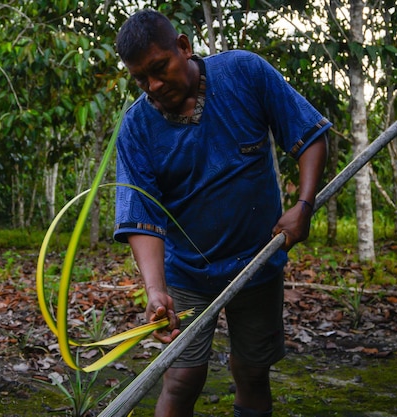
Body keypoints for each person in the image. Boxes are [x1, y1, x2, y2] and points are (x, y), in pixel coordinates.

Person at [113, 9, 330, 417]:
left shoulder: (244, 73)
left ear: (184, 47)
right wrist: (156, 291)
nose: (154, 86)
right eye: (142, 79)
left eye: (160, 69)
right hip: (189, 276)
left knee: (251, 371)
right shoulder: (137, 128)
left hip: (258, 264)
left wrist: (303, 205)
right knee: (181, 379)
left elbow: (309, 136)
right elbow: (142, 216)